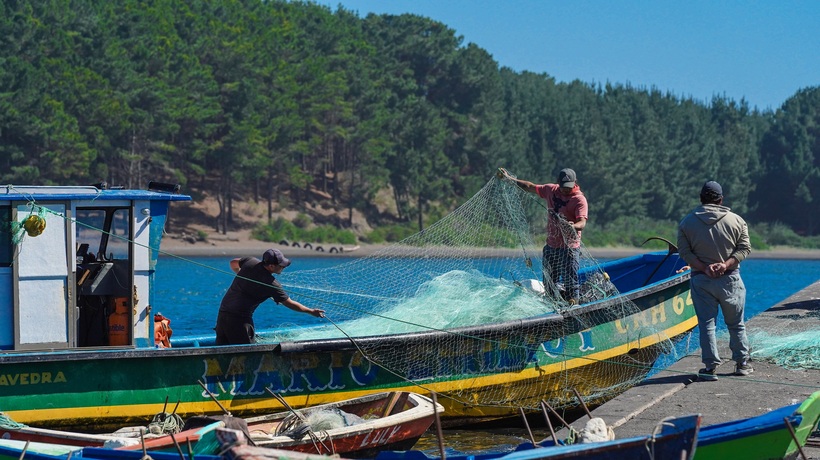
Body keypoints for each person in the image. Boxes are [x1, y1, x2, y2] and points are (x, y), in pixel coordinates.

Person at [677, 180, 752, 381]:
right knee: (736, 325)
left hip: (702, 280)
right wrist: (726, 265)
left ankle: (710, 368)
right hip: (730, 280)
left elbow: (684, 252)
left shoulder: (686, 222)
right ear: (721, 199)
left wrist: (703, 267)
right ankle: (742, 364)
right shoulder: (737, 220)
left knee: (707, 325)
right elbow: (744, 249)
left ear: (701, 199)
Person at [499, 167, 588, 304]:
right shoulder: (550, 190)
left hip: (569, 248)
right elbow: (530, 186)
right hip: (551, 246)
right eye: (564, 187)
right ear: (558, 182)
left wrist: (573, 226)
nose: (566, 190)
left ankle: (573, 306)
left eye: (569, 187)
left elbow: (581, 223)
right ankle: (552, 307)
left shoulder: (579, 200)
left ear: (575, 182)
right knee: (549, 283)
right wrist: (509, 179)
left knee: (571, 284)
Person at [214, 248, 324, 345]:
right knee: (245, 357)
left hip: (222, 315)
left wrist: (242, 276)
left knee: (222, 354)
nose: (283, 267)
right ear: (271, 266)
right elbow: (290, 303)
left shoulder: (250, 261)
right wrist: (311, 311)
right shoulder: (271, 284)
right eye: (281, 265)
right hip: (240, 321)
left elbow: (233, 262)